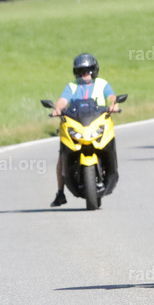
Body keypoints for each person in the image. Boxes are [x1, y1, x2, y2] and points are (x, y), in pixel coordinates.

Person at [49, 53, 120, 207]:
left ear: (94, 70)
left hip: (98, 122)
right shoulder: (72, 86)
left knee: (108, 144)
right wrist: (57, 109)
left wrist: (115, 105)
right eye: (82, 71)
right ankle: (60, 192)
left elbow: (112, 97)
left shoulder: (102, 84)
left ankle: (109, 170)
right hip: (77, 124)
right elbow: (62, 101)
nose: (85, 74)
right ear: (76, 72)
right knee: (62, 155)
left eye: (88, 70)